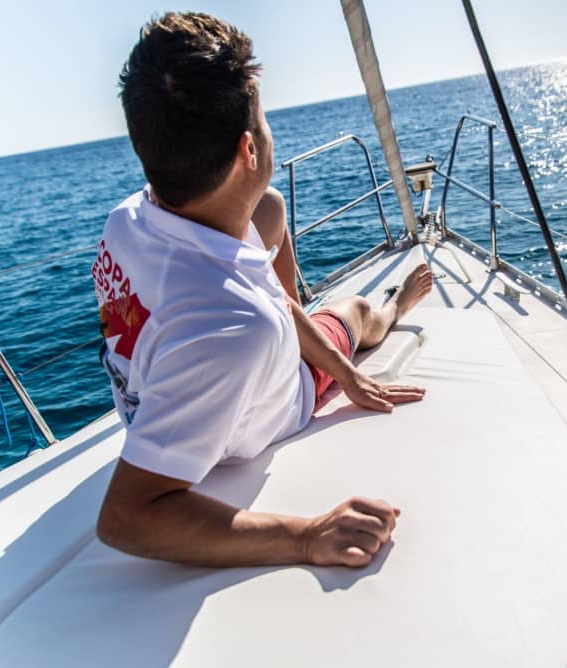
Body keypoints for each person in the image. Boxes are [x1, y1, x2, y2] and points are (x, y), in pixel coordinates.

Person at [93, 12, 433, 569]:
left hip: (151, 398)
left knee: (269, 212)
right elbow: (126, 518)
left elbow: (266, 305)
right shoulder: (238, 330)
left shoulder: (124, 221)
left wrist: (344, 371)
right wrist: (305, 536)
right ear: (250, 150)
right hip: (280, 396)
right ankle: (394, 305)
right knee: (356, 310)